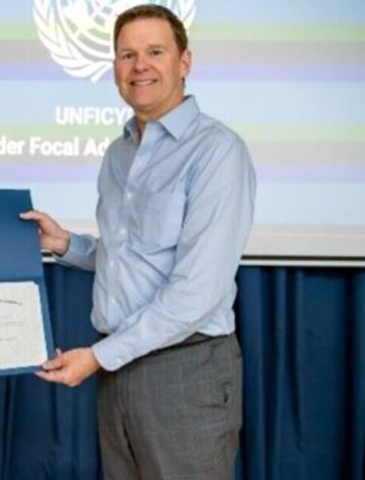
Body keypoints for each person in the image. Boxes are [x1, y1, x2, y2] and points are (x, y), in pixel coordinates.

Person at [21, 5, 256, 479]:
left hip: (183, 371)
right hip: (120, 369)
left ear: (184, 62)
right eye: (127, 55)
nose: (139, 66)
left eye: (154, 52)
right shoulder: (118, 152)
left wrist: (98, 358)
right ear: (114, 69)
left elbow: (197, 291)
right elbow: (130, 254)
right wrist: (68, 245)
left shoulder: (217, 152)